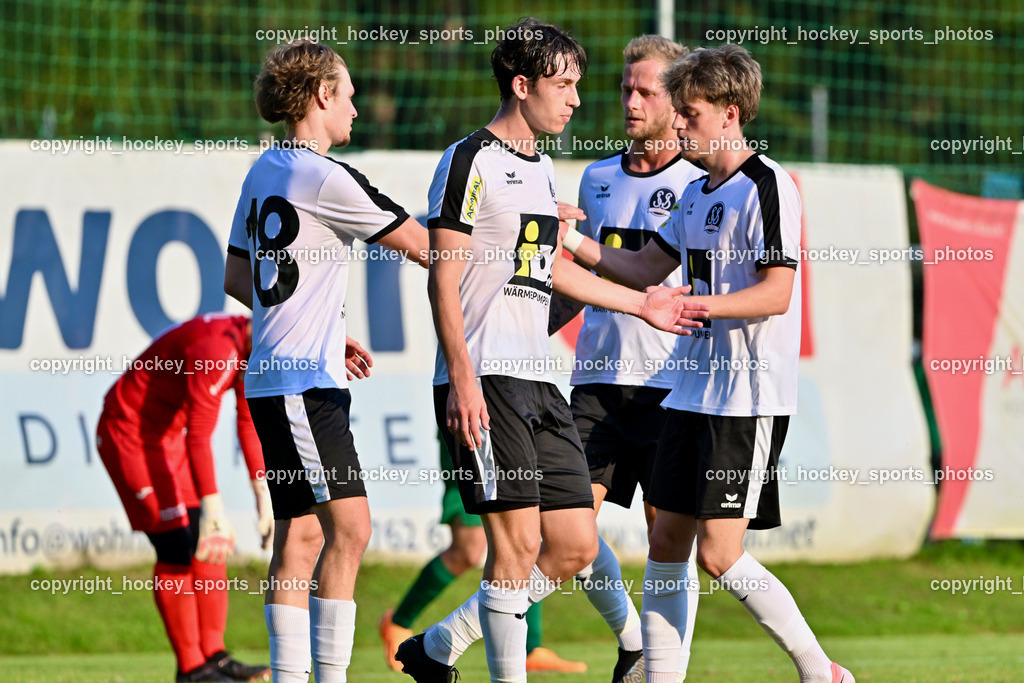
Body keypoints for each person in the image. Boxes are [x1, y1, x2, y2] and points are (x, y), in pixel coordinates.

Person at [394, 19, 707, 683]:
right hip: (486, 376)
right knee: (513, 550)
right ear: (521, 85)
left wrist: (641, 303)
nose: (577, 99)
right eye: (563, 85)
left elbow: (550, 269)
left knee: (572, 543)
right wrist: (462, 378)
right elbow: (443, 276)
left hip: (541, 379)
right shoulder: (469, 160)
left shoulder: (540, 168)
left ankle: (440, 647)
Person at [562, 44, 856, 683]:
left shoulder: (768, 185)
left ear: (729, 113)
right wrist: (571, 240)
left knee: (720, 554)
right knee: (667, 543)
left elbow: (777, 293)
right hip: (688, 395)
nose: (678, 124)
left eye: (689, 113)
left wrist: (696, 303)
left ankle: (821, 671)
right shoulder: (696, 193)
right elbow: (644, 268)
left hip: (746, 398)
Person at [223, 39, 428, 683]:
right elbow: (426, 247)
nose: (356, 110)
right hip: (301, 385)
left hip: (276, 376)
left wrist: (317, 328)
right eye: (348, 95)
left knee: (302, 535)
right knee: (351, 528)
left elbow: (238, 279)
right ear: (320, 96)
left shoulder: (264, 169)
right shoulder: (326, 175)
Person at [548, 34, 706, 682]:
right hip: (597, 381)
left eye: (646, 91)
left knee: (670, 543)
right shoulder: (597, 177)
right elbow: (586, 279)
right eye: (625, 89)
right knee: (566, 533)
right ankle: (633, 638)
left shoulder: (699, 184)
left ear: (677, 100)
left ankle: (666, 670)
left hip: (671, 385)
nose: (631, 102)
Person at [96, 313, 272, 683]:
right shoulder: (218, 349)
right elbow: (200, 435)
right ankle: (191, 668)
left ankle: (215, 657)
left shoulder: (252, 346)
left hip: (167, 437)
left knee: (209, 545)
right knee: (175, 543)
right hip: (130, 434)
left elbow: (248, 422)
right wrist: (214, 507)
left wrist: (263, 497)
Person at [378, 433, 587, 674]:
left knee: (528, 541)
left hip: (516, 430)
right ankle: (399, 622)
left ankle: (531, 649)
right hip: (473, 430)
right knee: (468, 548)